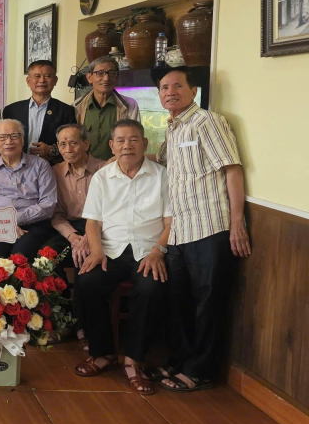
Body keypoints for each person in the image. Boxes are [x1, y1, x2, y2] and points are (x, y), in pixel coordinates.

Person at [152, 66, 250, 393]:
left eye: (177, 86)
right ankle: (179, 361)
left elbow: (232, 169)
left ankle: (200, 371)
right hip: (180, 230)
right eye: (164, 87)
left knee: (208, 304)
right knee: (180, 302)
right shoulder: (172, 128)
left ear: (193, 91)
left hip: (210, 227)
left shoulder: (208, 122)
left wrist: (237, 222)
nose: (170, 92)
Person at [76, 119, 171, 395]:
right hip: (111, 249)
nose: (127, 145)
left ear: (145, 143)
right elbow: (93, 222)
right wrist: (96, 251)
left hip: (148, 251)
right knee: (87, 281)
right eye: (120, 140)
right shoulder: (102, 178)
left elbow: (170, 222)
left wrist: (159, 251)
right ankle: (103, 353)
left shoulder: (162, 176)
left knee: (151, 287)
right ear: (111, 145)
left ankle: (134, 361)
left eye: (133, 139)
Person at [50, 123, 105, 348]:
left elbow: (110, 211)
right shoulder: (55, 172)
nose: (68, 149)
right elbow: (55, 214)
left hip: (100, 227)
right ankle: (65, 320)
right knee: (47, 257)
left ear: (86, 143)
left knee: (84, 263)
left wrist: (88, 238)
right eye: (62, 144)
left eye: (73, 143)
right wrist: (73, 237)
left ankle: (85, 326)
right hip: (69, 227)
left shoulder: (104, 169)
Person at [0, 119, 57, 259]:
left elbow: (48, 203)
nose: (8, 142)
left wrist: (13, 220)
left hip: (34, 223)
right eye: (2, 137)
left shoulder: (41, 165)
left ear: (22, 139)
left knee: (21, 255)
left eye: (14, 136)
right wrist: (3, 223)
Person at [3, 60, 76, 164]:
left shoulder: (66, 111)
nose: (42, 80)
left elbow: (73, 142)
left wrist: (51, 150)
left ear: (55, 80)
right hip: (16, 165)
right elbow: (2, 140)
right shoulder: (11, 110)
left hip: (51, 166)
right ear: (28, 81)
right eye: (37, 76)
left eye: (47, 76)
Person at [73, 56, 140, 160]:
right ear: (89, 77)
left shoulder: (130, 105)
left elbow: (134, 141)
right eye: (100, 73)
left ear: (117, 77)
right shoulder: (77, 106)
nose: (106, 78)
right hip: (85, 167)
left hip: (117, 166)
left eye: (111, 73)